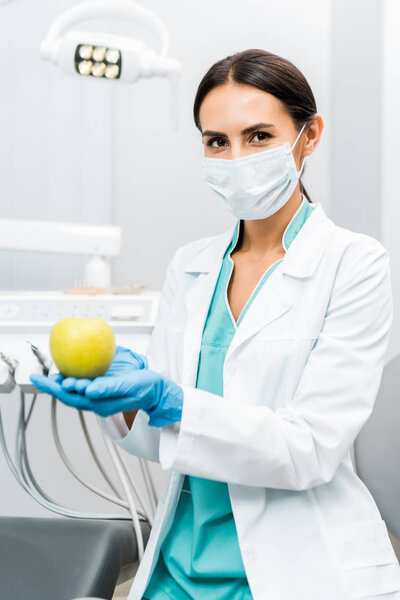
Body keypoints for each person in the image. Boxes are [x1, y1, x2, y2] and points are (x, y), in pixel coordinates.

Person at [31, 49, 400, 600]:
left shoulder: (354, 264)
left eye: (258, 137)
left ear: (310, 134)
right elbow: (164, 443)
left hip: (292, 567)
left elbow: (311, 448)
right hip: (179, 564)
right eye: (216, 142)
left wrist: (172, 399)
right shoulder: (191, 265)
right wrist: (124, 404)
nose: (235, 158)